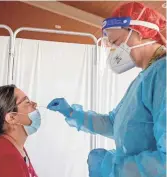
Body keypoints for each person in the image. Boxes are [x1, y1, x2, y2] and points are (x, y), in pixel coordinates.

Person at [47, 2, 166, 177]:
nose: (117, 52)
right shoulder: (144, 78)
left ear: (140, 32)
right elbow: (115, 123)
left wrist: (114, 169)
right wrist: (72, 113)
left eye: (117, 42)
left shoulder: (162, 74)